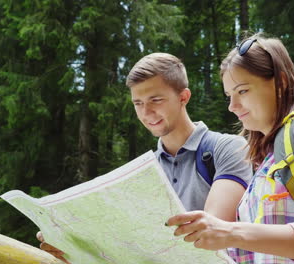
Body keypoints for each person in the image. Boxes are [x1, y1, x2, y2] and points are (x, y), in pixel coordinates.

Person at [38, 52, 253, 262]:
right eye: (138, 103)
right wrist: (75, 249)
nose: (146, 113)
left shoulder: (228, 148)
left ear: (183, 97)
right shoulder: (145, 171)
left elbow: (211, 233)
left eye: (155, 100)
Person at [166, 35, 294, 263]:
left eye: (243, 91)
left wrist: (230, 232)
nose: (232, 106)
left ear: (282, 83)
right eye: (230, 95)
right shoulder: (265, 161)